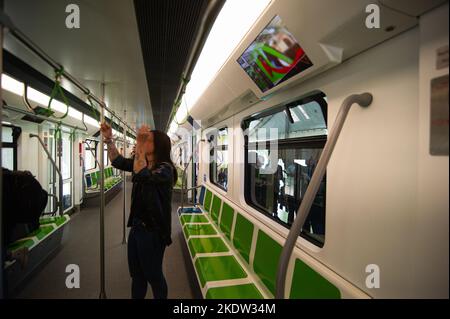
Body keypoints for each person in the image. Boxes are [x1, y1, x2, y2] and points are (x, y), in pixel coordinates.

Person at [100, 122, 177, 299]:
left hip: (154, 231)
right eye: (143, 140)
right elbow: (117, 161)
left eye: (147, 140)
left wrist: (139, 145)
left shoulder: (166, 169)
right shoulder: (142, 164)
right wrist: (109, 139)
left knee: (154, 276)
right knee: (137, 276)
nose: (142, 142)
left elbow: (142, 174)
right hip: (137, 228)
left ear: (158, 146)